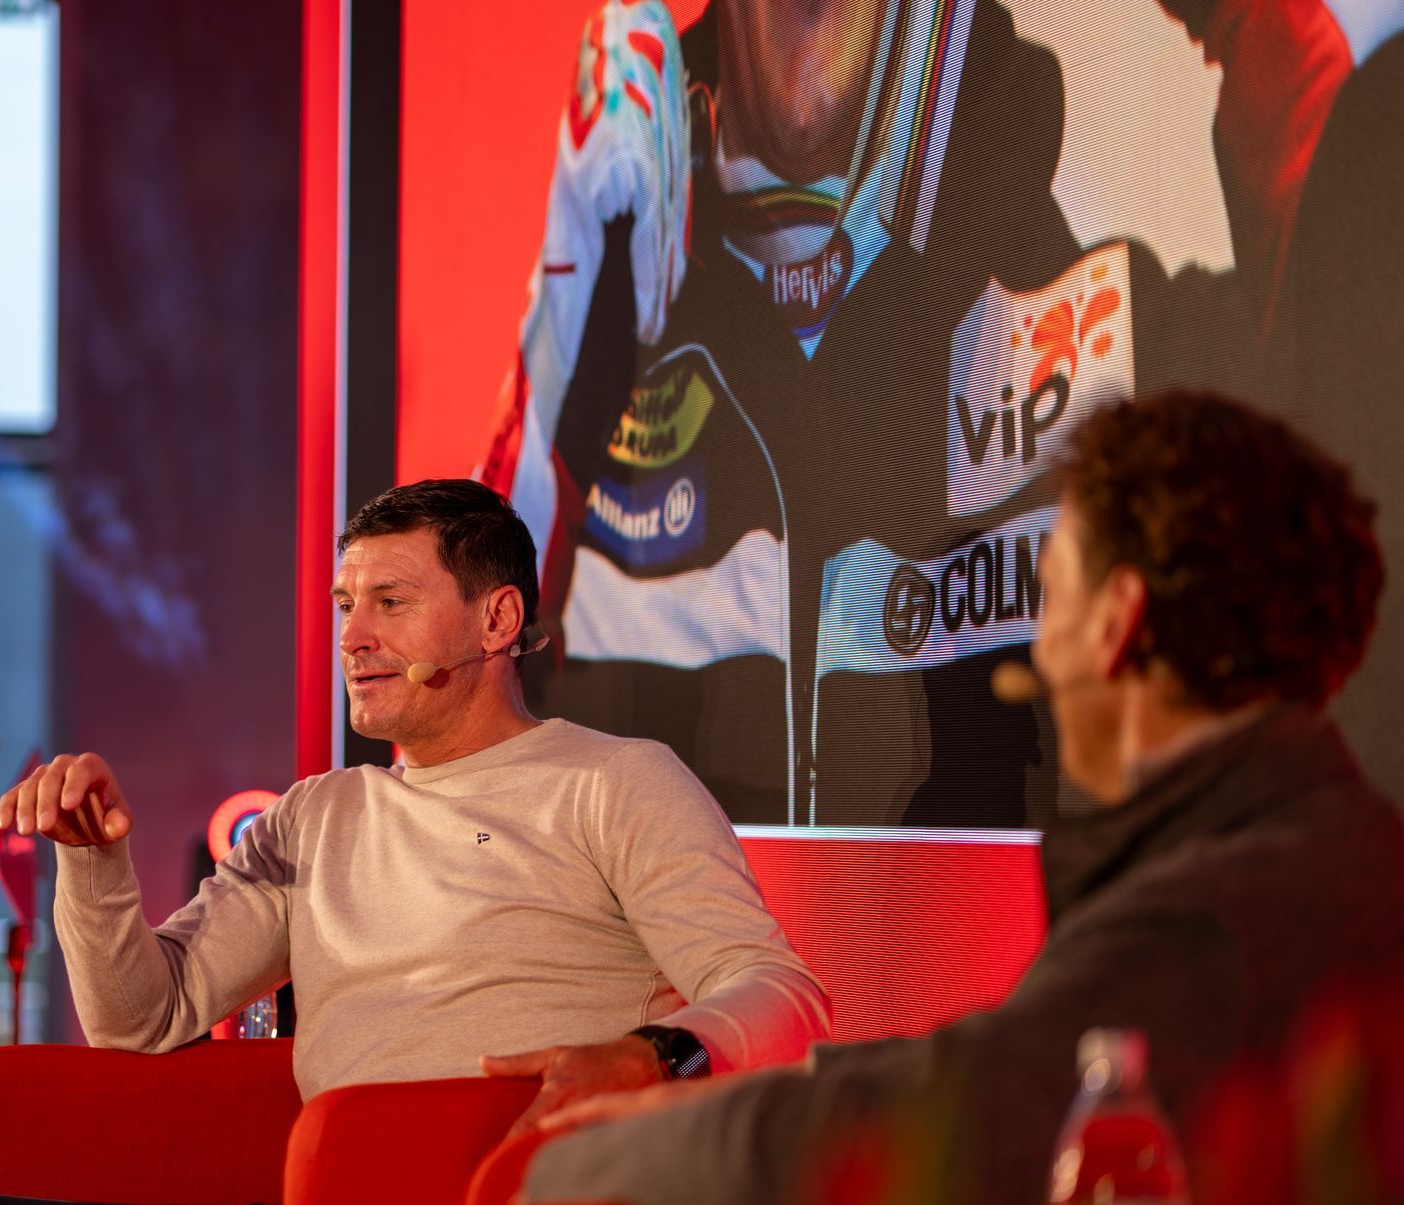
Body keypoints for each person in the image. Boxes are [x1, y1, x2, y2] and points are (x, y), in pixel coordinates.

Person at [515, 389, 1404, 1205]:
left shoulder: (1206, 922)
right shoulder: (1333, 851)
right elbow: (995, 1067)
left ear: (1115, 620)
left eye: (1050, 600)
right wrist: (739, 1097)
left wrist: (576, 1167)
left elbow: (947, 1130)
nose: (1037, 656)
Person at [0, 478, 830, 1205]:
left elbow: (782, 991)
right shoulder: (316, 814)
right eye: (345, 604)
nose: (353, 635)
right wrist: (93, 858)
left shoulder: (616, 781)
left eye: (391, 601)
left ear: (498, 619)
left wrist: (657, 1054)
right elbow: (140, 1019)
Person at [476, 0, 1357, 828]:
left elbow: (1352, 431)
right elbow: (472, 793)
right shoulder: (608, 355)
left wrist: (1248, 13)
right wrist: (558, 398)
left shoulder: (1115, 348)